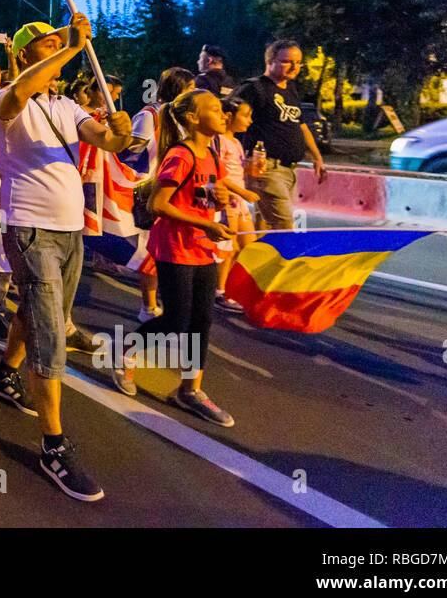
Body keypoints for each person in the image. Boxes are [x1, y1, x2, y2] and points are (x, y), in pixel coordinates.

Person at [0, 18, 132, 501]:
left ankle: (4, 375)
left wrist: (122, 133)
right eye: (46, 47)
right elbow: (23, 89)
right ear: (25, 55)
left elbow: (106, 141)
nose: (57, 52)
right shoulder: (6, 102)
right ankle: (53, 447)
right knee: (51, 334)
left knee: (36, 313)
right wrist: (70, 45)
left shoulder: (67, 107)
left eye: (59, 44)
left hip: (71, 233)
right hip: (29, 229)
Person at [109, 89, 235, 428]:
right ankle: (125, 352)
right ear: (193, 118)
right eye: (216, 109)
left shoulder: (212, 154)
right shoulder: (180, 155)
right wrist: (206, 223)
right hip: (175, 248)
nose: (224, 114)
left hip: (202, 249)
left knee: (202, 322)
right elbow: (158, 205)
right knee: (177, 321)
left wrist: (221, 202)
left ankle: (190, 390)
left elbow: (206, 199)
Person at [232, 39, 327, 229]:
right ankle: (286, 259)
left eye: (298, 62)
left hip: (288, 170)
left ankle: (254, 259)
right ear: (270, 61)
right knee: (284, 227)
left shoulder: (290, 88)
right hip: (266, 168)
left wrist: (317, 156)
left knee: (265, 229)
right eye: (287, 61)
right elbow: (228, 119)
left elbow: (300, 125)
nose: (294, 67)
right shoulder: (253, 88)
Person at [128, 67, 196, 322]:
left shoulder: (184, 118)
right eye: (190, 89)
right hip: (154, 189)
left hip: (178, 188)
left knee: (171, 248)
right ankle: (148, 305)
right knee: (151, 252)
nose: (193, 93)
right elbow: (133, 153)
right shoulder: (150, 115)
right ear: (178, 89)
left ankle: (173, 303)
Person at [213, 97, 259, 311]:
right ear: (230, 116)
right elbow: (218, 174)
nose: (249, 121)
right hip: (228, 200)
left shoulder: (237, 142)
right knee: (229, 248)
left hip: (239, 202)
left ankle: (229, 287)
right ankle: (220, 292)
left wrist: (250, 169)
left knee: (248, 245)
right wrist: (242, 191)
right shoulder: (219, 140)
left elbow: (236, 170)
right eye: (246, 115)